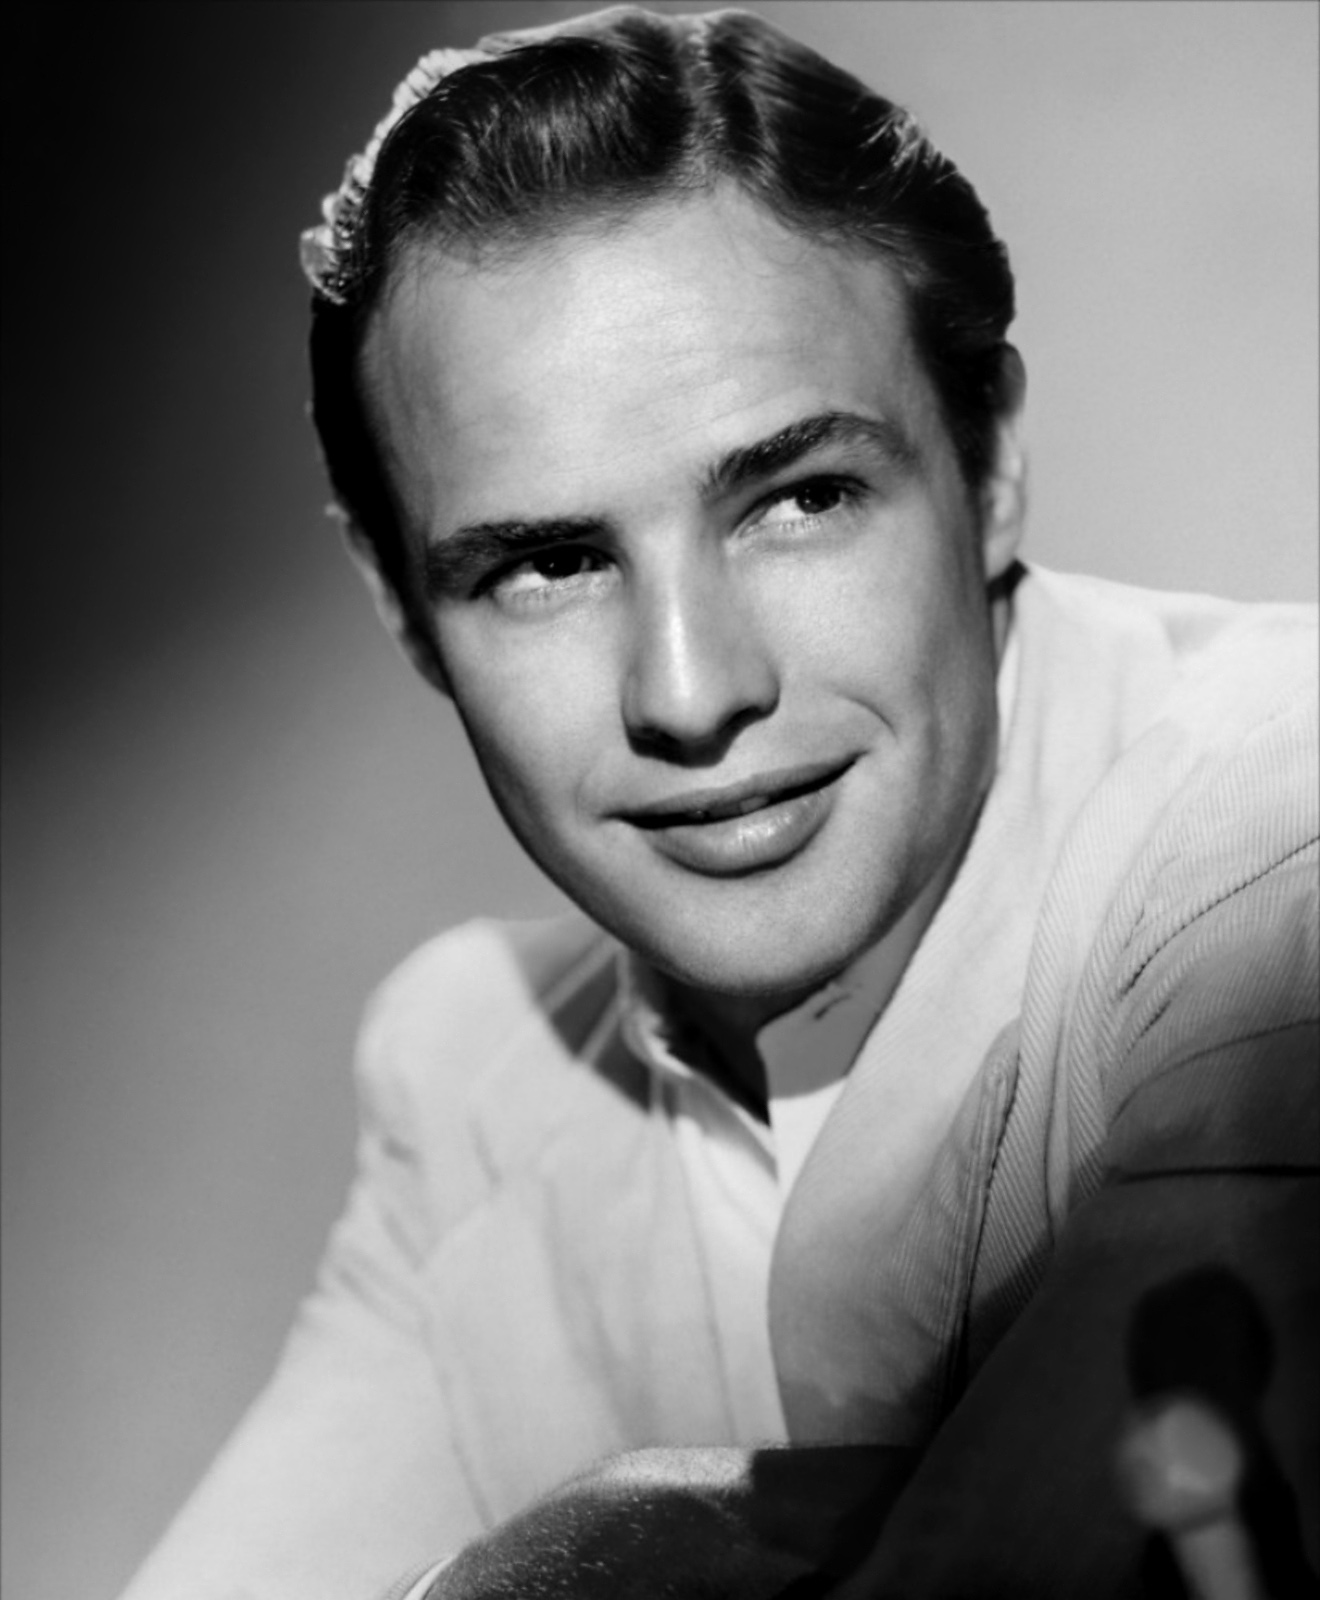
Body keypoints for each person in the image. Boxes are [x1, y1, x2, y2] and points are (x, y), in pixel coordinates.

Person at [120, 7, 1318, 1598]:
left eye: (800, 499)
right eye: (549, 564)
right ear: (404, 607)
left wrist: (609, 1556)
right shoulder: (478, 1078)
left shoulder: (1274, 828)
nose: (691, 691)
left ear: (991, 463)